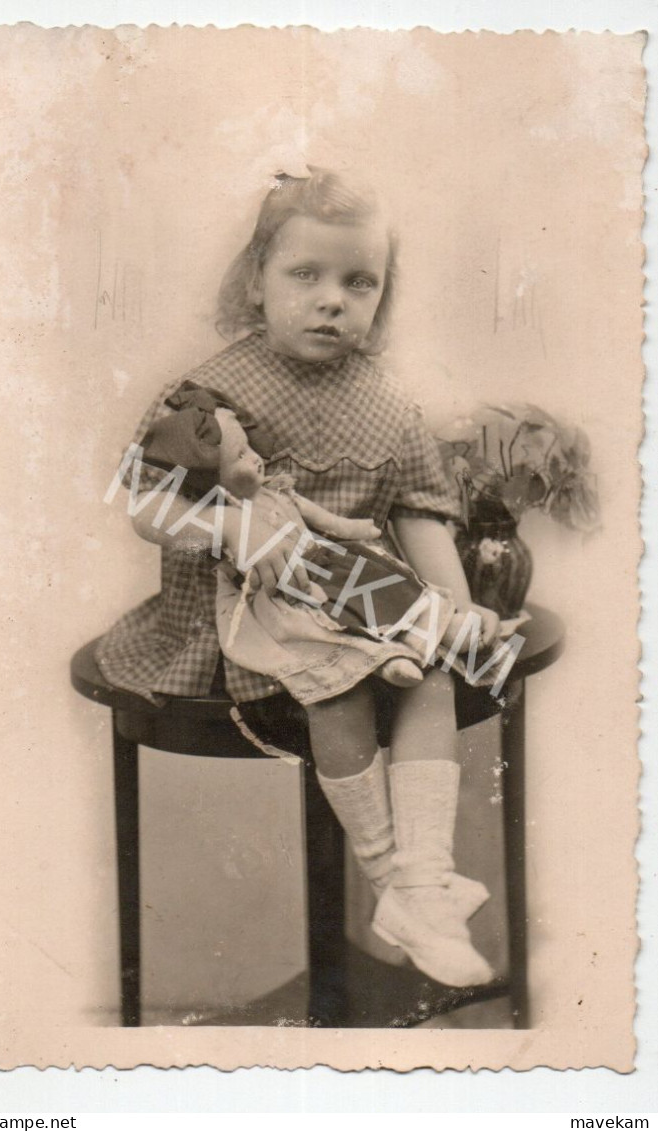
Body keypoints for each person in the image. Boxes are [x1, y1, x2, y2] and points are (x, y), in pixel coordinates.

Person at [97, 168, 501, 987]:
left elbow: (419, 512)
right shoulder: (215, 392)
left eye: (359, 283)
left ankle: (422, 885)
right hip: (232, 630)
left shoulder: (387, 404)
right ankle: (394, 878)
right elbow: (144, 503)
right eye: (304, 275)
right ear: (255, 280)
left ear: (381, 299)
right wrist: (230, 522)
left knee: (433, 671)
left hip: (350, 606)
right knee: (339, 684)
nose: (331, 300)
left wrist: (454, 610)